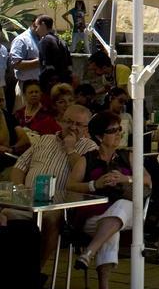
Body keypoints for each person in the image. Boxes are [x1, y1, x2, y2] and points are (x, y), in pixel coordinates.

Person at [70, 110, 150, 289]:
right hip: (94, 216)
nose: (118, 133)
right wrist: (93, 184)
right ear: (99, 137)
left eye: (119, 129)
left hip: (129, 213)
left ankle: (89, 253)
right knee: (111, 229)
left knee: (122, 205)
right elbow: (70, 185)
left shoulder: (127, 156)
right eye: (112, 130)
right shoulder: (86, 160)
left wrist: (127, 179)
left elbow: (149, 182)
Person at [10, 105, 96, 270]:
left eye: (78, 124)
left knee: (50, 218)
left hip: (62, 206)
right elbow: (19, 166)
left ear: (86, 128)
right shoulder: (44, 140)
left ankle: (35, 272)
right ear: (61, 121)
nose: (72, 127)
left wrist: (70, 148)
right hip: (27, 200)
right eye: (69, 122)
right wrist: (20, 189)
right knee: (5, 214)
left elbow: (83, 175)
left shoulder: (89, 147)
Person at [10, 16, 47, 91]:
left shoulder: (43, 39)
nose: (46, 31)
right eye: (44, 28)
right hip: (26, 86)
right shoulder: (21, 40)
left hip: (40, 86)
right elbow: (16, 64)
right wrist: (39, 61)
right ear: (35, 25)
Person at [37, 17, 72, 94]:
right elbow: (69, 65)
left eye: (37, 26)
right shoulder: (61, 41)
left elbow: (48, 66)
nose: (36, 30)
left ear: (43, 24)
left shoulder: (45, 41)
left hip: (50, 87)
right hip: (64, 84)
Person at [105, 86, 132, 151]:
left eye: (124, 102)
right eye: (120, 101)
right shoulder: (102, 117)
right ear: (111, 99)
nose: (122, 105)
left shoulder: (127, 116)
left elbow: (133, 136)